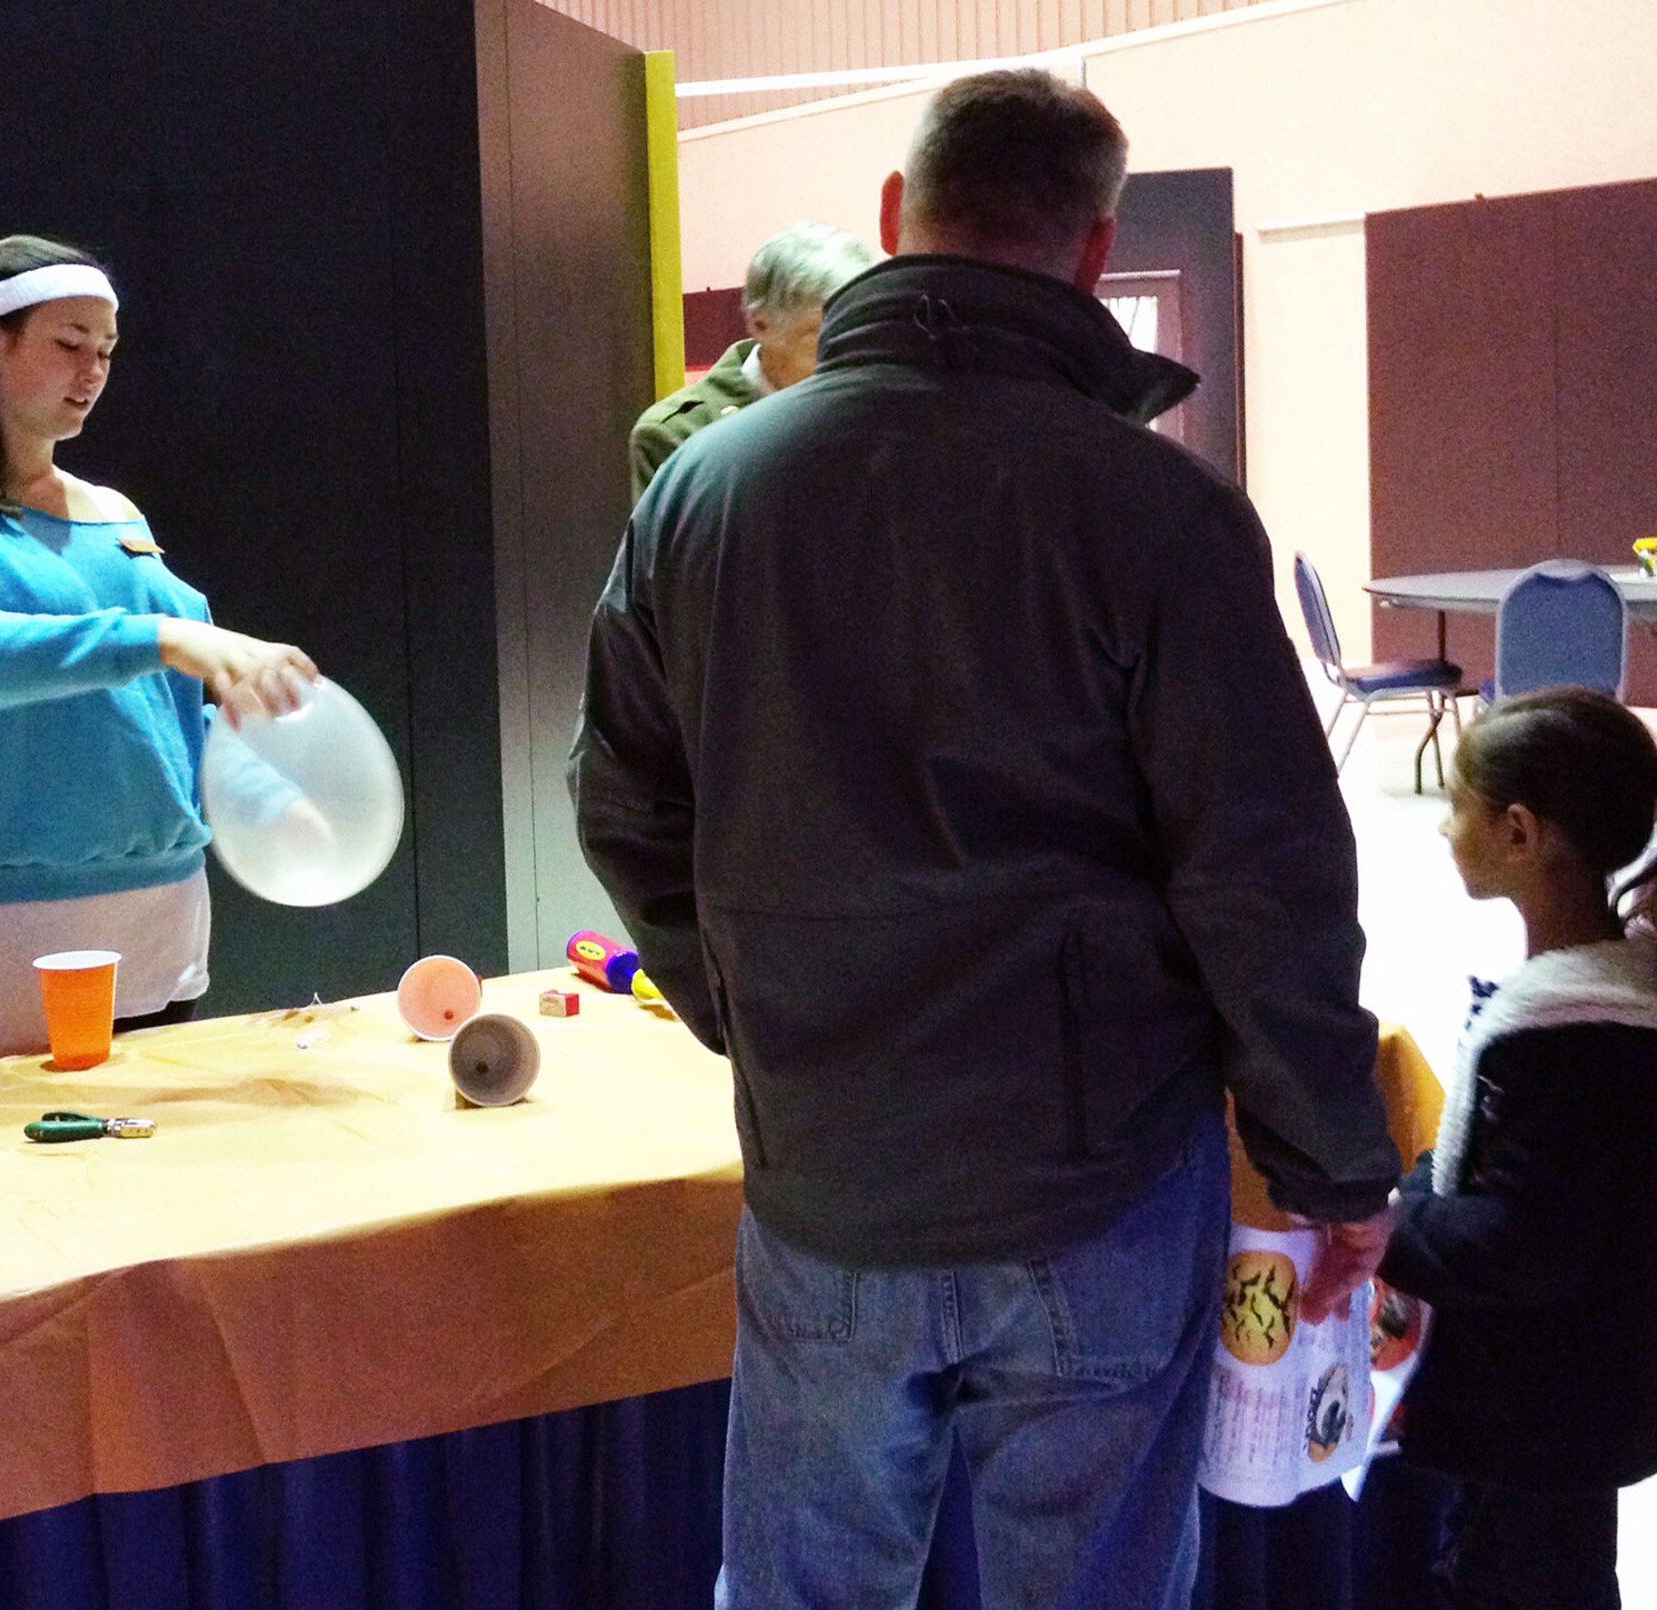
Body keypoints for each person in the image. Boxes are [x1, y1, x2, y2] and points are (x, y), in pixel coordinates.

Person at [569, 70, 1399, 1607]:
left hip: (827, 1175)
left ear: (895, 218)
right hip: (1097, 1184)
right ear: (1093, 254)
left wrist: (753, 1008)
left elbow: (624, 802)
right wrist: (1333, 1156)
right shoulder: (1160, 512)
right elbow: (1266, 879)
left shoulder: (705, 493)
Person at [0, 235, 316, 1060]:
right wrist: (163, 637)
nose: (92, 370)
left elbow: (152, 703)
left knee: (156, 1162)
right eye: (69, 344)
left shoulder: (116, 514)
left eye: (105, 350)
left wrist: (259, 765)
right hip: (3, 920)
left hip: (163, 903)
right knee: (22, 1169)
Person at [1377, 687, 1657, 1610]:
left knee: (1518, 1584)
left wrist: (1385, 1229)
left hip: (1539, 1415)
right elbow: (1489, 1162)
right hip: (1573, 1405)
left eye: (1460, 806)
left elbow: (1523, 1242)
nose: (1444, 827)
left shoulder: (1575, 1036)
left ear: (1521, 834)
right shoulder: (1590, 1000)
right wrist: (1420, 1191)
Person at [627, 221, 872, 497]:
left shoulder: (882, 415)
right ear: (760, 324)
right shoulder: (679, 435)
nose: (851, 353)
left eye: (862, 330)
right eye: (822, 336)